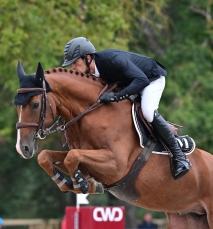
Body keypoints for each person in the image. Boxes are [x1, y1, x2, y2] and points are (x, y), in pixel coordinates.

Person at [62, 37, 191, 180]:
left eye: (74, 62)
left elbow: (141, 80)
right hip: (132, 83)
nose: (72, 67)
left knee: (147, 112)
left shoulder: (112, 60)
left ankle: (180, 158)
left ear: (87, 58)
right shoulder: (91, 72)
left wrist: (116, 97)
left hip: (151, 80)